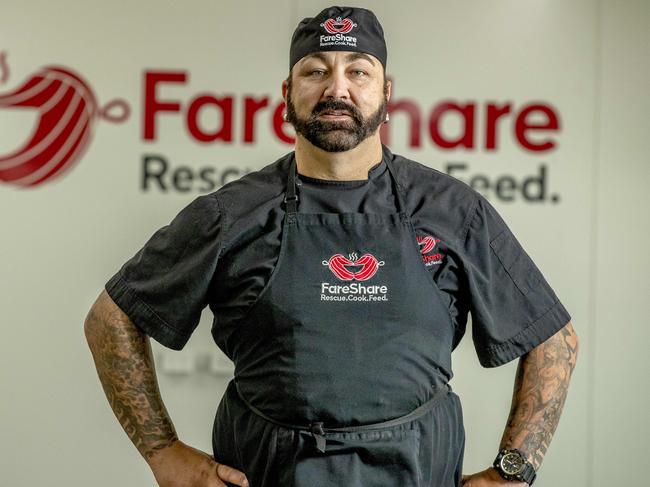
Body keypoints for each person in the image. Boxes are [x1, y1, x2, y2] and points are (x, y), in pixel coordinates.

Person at [84, 6, 579, 487]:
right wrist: (163, 453)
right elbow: (112, 318)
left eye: (358, 71)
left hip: (417, 470)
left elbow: (554, 339)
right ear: (286, 94)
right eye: (315, 71)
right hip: (271, 471)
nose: (336, 88)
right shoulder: (231, 214)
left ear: (386, 94)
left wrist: (513, 473)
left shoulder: (453, 210)